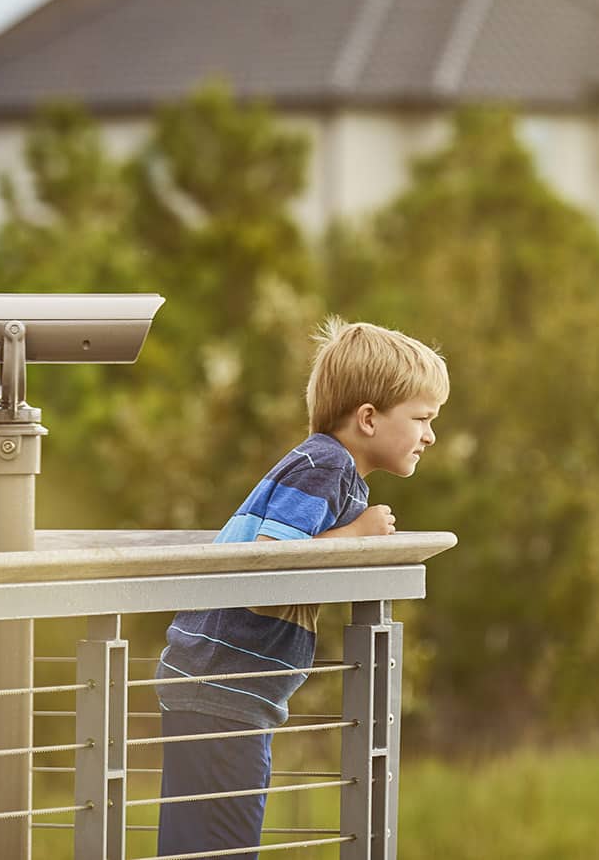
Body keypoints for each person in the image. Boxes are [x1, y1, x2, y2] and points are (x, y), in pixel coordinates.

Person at [155, 318, 446, 857]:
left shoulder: (332, 469)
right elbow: (269, 568)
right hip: (224, 690)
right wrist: (357, 535)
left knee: (194, 844)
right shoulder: (326, 465)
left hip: (220, 688)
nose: (430, 435)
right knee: (223, 845)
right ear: (368, 418)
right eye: (422, 418)